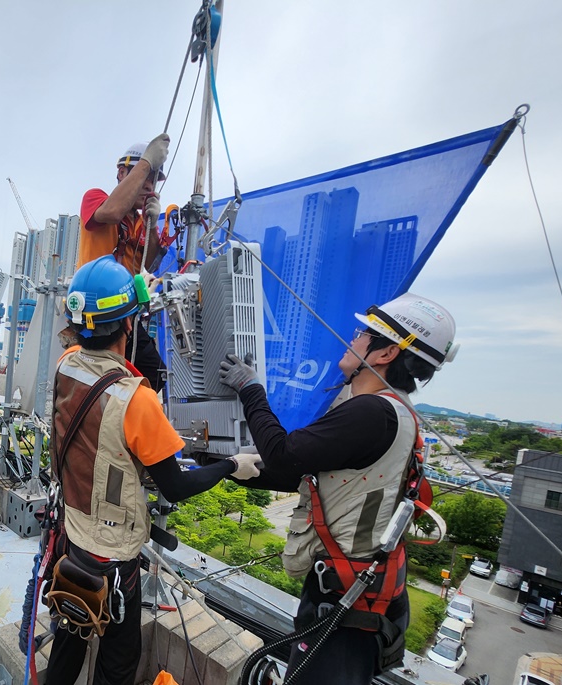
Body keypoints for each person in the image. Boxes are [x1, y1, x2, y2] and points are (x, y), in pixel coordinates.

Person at [218, 293, 459, 685]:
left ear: (385, 354)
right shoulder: (390, 412)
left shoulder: (372, 413)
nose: (353, 339)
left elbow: (283, 457)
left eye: (365, 333)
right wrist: (227, 467)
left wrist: (251, 389)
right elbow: (299, 474)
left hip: (347, 603)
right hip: (353, 595)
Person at [46, 255, 262, 685]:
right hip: (113, 560)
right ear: (128, 325)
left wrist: (130, 306)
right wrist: (229, 465)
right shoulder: (136, 401)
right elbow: (175, 486)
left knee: (68, 642)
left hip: (72, 540)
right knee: (118, 663)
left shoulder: (67, 363)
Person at [75, 134, 170, 391]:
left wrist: (151, 223)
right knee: (102, 379)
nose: (149, 185)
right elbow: (112, 212)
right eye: (145, 176)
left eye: (153, 180)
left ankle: (122, 422)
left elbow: (145, 265)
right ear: (121, 172)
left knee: (153, 375)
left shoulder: (140, 224)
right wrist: (147, 162)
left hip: (123, 314)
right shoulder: (96, 198)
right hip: (95, 311)